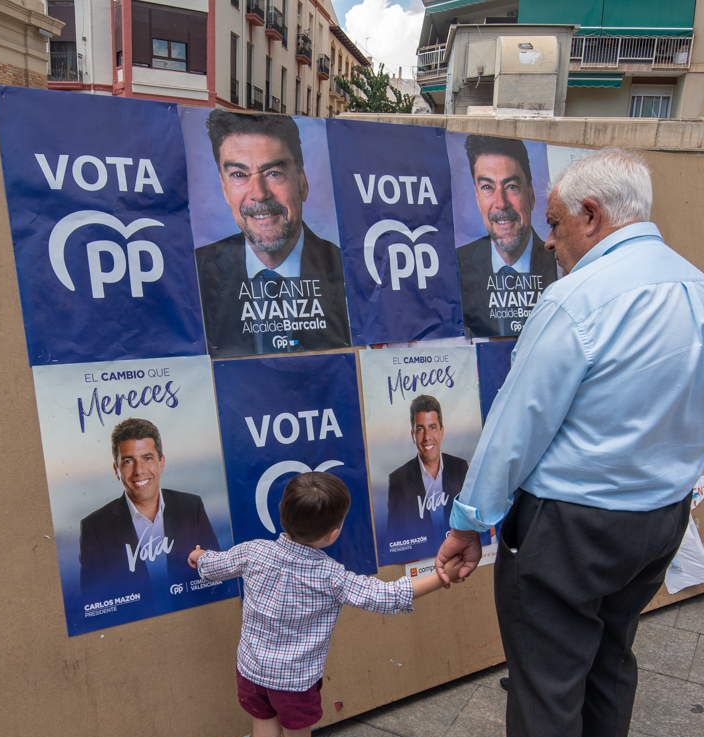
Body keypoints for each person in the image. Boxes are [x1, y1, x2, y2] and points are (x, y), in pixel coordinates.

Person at [433, 148, 704, 737]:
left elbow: (515, 427)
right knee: (610, 657)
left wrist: (469, 520)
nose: (551, 241)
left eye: (557, 224)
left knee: (546, 681)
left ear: (593, 217)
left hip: (571, 526)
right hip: (657, 519)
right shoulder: (703, 292)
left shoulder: (579, 300)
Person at [189, 472, 462, 737]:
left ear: (281, 513)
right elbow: (389, 596)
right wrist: (444, 575)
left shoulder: (253, 552)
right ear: (333, 533)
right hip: (297, 684)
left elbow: (211, 566)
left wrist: (198, 556)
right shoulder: (331, 576)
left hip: (252, 673)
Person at [195, 111, 350, 357]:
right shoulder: (194, 274)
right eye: (239, 175)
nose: (259, 193)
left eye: (273, 173)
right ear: (225, 189)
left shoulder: (350, 274)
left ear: (302, 182)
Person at [78, 418, 220, 604]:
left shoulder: (191, 507)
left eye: (147, 458)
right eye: (128, 461)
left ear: (161, 463)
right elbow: (94, 605)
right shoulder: (94, 528)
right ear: (116, 470)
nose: (139, 470)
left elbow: (218, 575)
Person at [456, 135, 558, 337]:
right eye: (487, 187)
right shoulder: (456, 266)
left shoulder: (560, 265)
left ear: (530, 194)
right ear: (477, 197)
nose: (501, 203)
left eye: (511, 186)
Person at [385, 395, 470, 551]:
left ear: (441, 431)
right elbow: (396, 539)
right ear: (413, 435)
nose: (427, 437)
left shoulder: (461, 468)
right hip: (420, 564)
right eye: (420, 429)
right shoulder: (398, 480)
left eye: (432, 427)